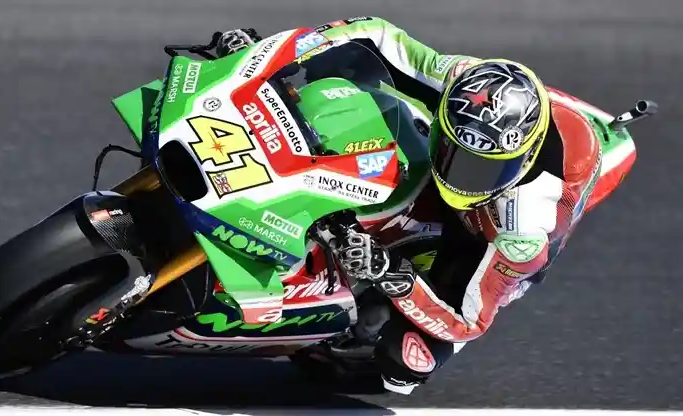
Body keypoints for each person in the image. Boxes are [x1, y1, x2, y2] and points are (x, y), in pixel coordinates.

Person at [215, 17, 636, 394]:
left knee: (407, 362)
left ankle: (344, 327)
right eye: (455, 152)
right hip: (496, 135)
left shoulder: (524, 230)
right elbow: (375, 34)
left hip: (483, 239)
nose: (460, 175)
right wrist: (268, 57)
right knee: (349, 81)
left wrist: (389, 272)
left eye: (478, 168)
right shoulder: (464, 83)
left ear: (522, 161)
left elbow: (469, 321)